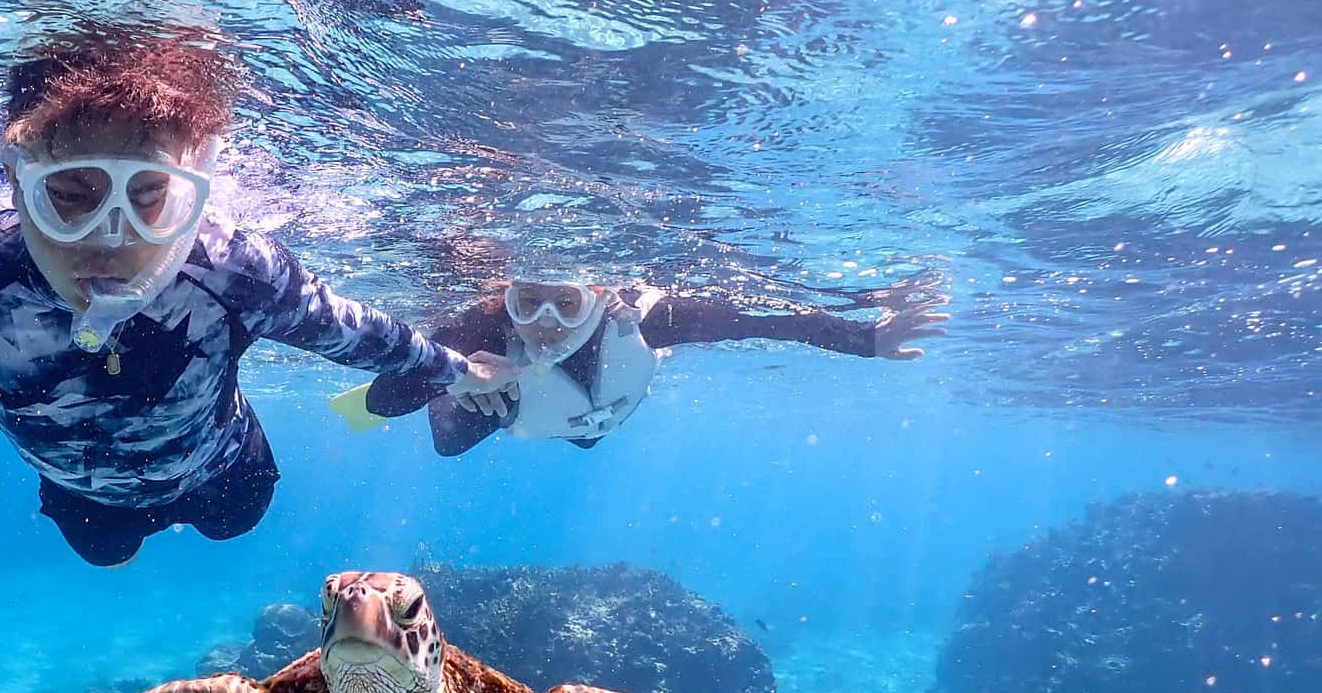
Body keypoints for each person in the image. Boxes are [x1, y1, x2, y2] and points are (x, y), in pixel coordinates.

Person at [0, 29, 516, 580]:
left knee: (237, 522)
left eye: (150, 198)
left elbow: (355, 335)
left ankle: (193, 490)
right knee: (105, 551)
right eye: (70, 195)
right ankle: (129, 515)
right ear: (14, 185)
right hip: (85, 496)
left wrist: (454, 369)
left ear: (196, 193)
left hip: (222, 466)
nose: (110, 241)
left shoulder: (235, 269)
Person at [347, 275, 947, 456]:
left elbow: (766, 318)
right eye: (527, 302)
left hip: (593, 422)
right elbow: (379, 401)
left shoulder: (648, 321)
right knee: (455, 441)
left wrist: (866, 340)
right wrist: (452, 374)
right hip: (513, 412)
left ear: (602, 297)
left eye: (568, 301)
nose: (545, 322)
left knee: (587, 440)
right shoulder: (479, 331)